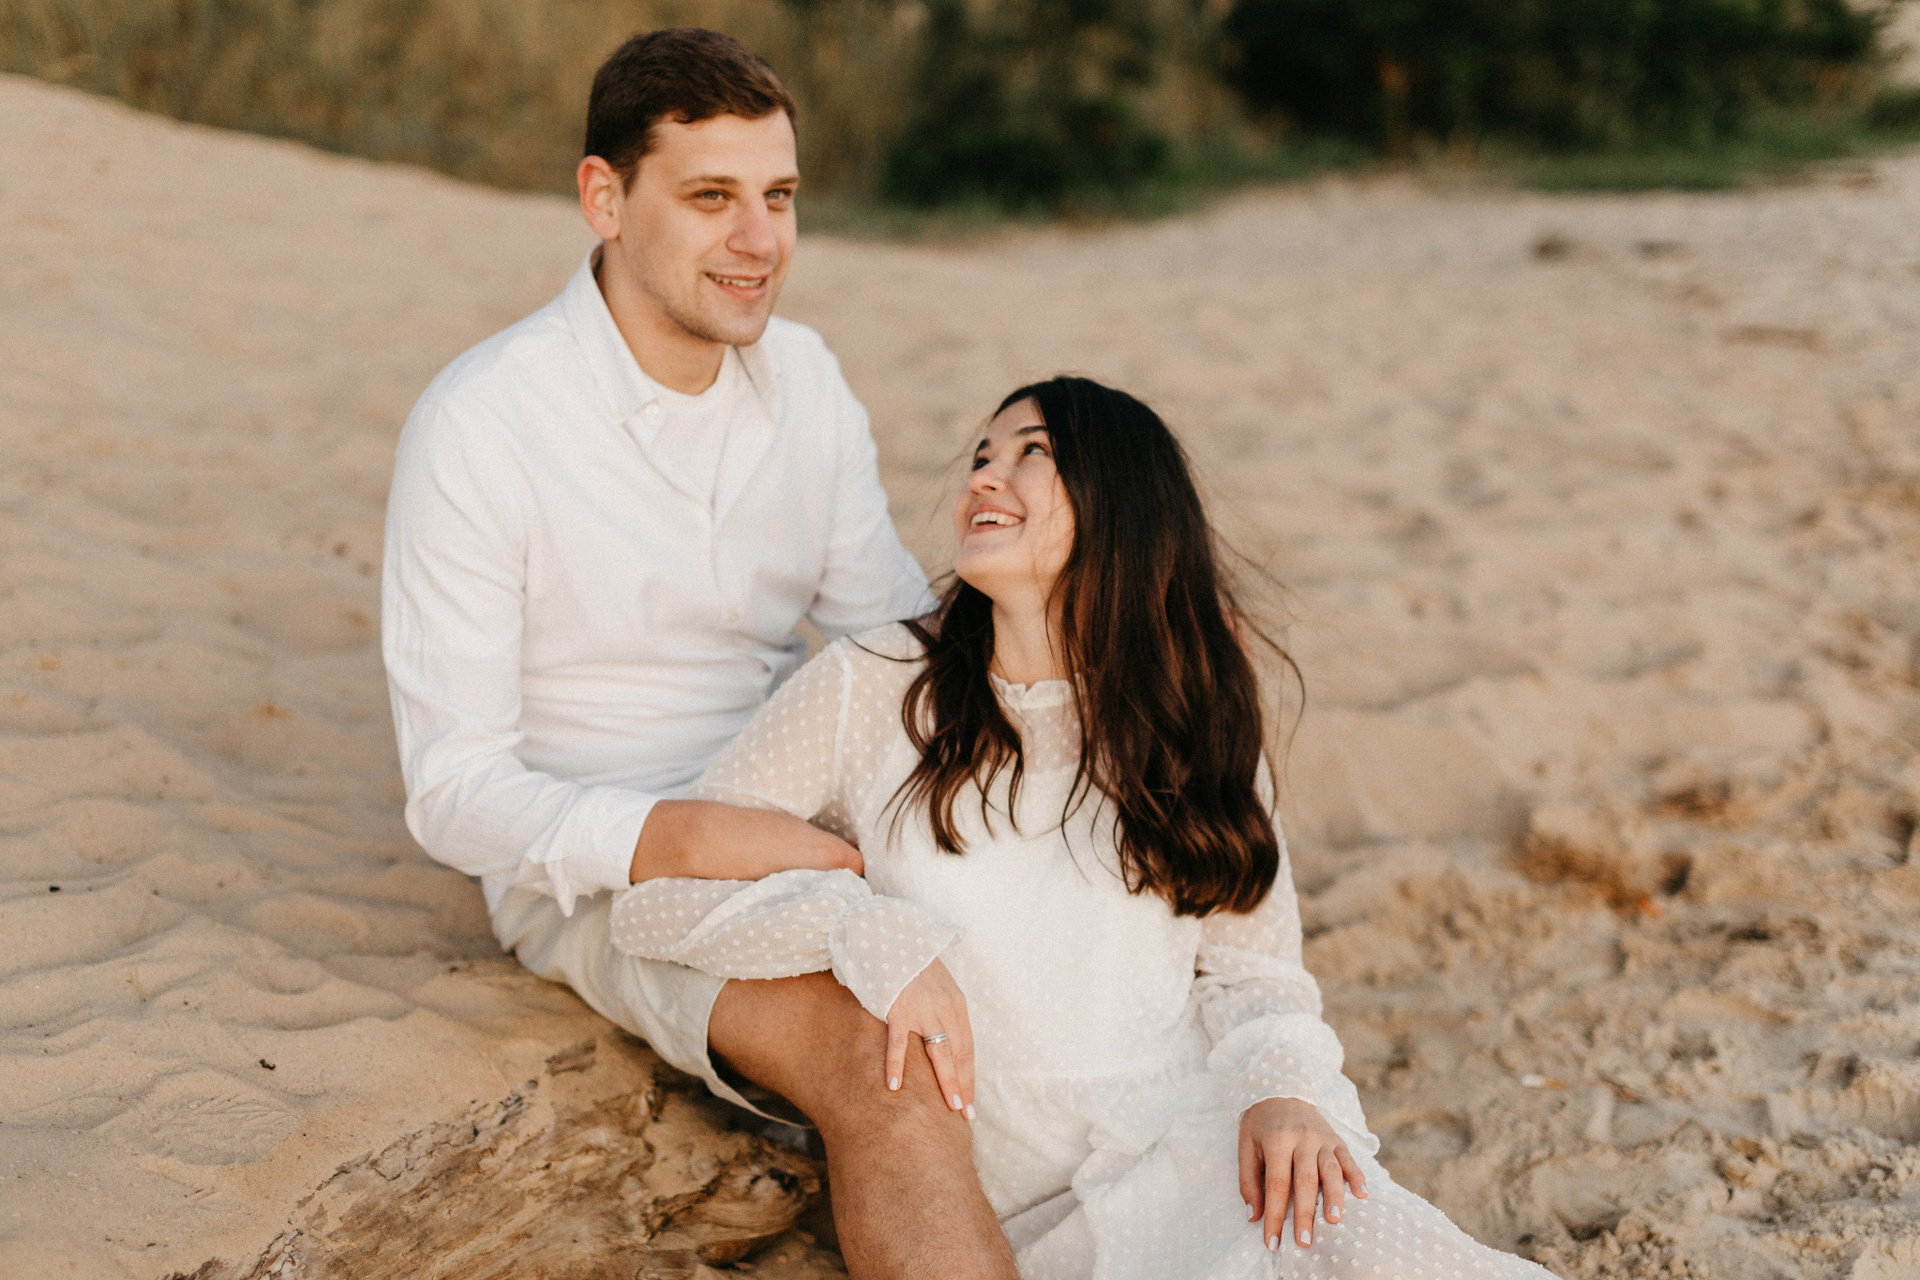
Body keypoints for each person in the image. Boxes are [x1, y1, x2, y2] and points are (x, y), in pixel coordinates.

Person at [607, 378, 1556, 1278]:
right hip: (1008, 1211)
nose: (986, 477)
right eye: (982, 456)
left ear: (1122, 503)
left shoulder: (1189, 710)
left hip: (1209, 1157)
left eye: (1032, 453)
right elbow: (661, 898)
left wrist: (1284, 1093)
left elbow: (1254, 971)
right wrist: (866, 930)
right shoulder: (872, 685)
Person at [382, 27, 1020, 1278]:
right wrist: (682, 835)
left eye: (779, 196)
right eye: (712, 197)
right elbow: (452, 790)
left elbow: (886, 633)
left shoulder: (805, 375)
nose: (759, 240)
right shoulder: (482, 424)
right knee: (888, 1062)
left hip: (806, 790)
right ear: (605, 198)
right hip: (601, 861)